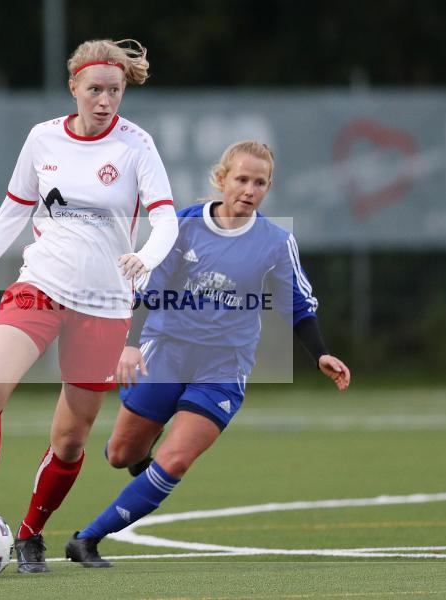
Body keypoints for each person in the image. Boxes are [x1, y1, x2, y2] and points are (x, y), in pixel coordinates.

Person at [0, 38, 179, 574]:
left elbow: (166, 219)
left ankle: (32, 534)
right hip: (40, 286)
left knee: (70, 439)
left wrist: (145, 258)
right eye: (95, 90)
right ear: (74, 88)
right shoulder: (42, 139)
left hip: (106, 304)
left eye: (115, 90)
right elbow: (12, 213)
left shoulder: (137, 145)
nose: (105, 100)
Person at [63, 140, 351, 567]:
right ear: (221, 179)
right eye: (241, 179)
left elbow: (299, 306)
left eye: (260, 182)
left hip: (223, 366)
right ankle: (143, 447)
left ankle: (87, 539)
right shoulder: (182, 226)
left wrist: (321, 354)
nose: (249, 190)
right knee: (121, 454)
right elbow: (145, 288)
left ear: (268, 188)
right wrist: (127, 344)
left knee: (175, 460)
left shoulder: (275, 242)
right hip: (166, 353)